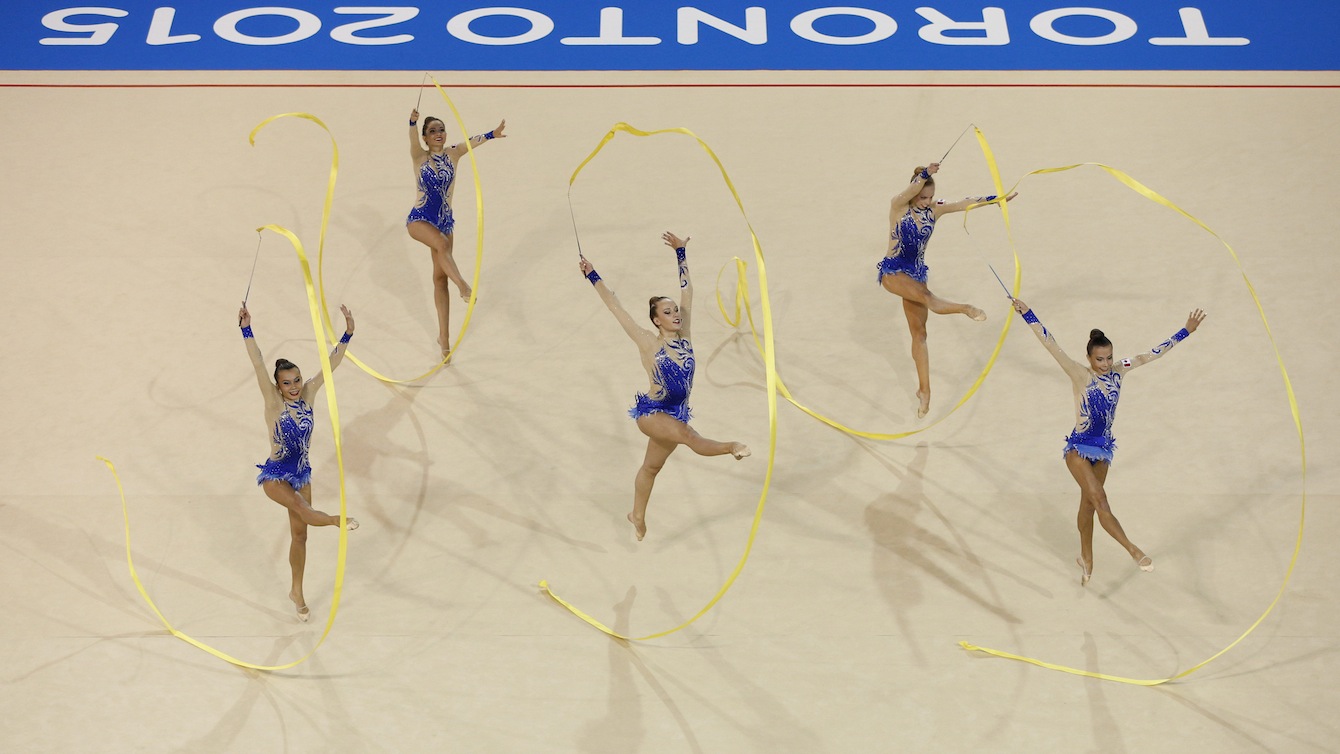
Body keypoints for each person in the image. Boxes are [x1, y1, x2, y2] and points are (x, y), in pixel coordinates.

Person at [1010, 297, 1206, 584]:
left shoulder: (1120, 369)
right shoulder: (1079, 373)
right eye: (1099, 359)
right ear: (1089, 358)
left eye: (1108, 358)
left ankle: (1086, 557)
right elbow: (1050, 344)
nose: (1105, 364)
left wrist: (1185, 331)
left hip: (1102, 451)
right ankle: (1134, 550)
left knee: (1089, 505)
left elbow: (1151, 354)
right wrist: (1028, 313)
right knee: (1101, 500)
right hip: (1078, 449)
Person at [578, 232, 751, 541]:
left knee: (651, 468)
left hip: (675, 413)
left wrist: (680, 253)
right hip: (652, 412)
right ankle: (730, 446)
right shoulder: (647, 341)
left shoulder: (686, 337)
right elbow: (615, 306)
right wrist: (593, 275)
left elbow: (688, 292)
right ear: (656, 321)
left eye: (675, 311)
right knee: (688, 436)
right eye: (667, 313)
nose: (675, 315)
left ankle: (636, 515)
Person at [238, 302, 359, 622]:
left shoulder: (308, 394)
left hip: (301, 474)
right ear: (278, 386)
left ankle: (297, 592)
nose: (293, 387)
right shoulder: (272, 401)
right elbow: (258, 362)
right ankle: (336, 520)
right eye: (286, 383)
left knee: (300, 535)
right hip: (276, 475)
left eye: (296, 380)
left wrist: (347, 334)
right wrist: (246, 329)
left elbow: (330, 366)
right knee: (302, 509)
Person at [879, 162, 1017, 418]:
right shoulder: (898, 206)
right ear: (914, 192)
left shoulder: (934, 210)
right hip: (893, 271)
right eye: (922, 197)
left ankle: (924, 391)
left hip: (916, 275)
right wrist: (925, 174)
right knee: (928, 298)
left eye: (930, 197)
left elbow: (964, 203)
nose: (926, 202)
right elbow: (910, 190)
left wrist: (995, 199)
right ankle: (966, 308)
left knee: (920, 334)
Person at [406, 107, 507, 358]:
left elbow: (471, 142)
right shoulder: (419, 156)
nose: (438, 134)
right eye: (432, 131)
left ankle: (444, 339)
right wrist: (412, 123)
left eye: (441, 129)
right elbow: (412, 139)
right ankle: (463, 285)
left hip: (444, 222)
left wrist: (492, 134)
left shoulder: (453, 154)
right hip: (420, 220)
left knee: (440, 279)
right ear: (425, 138)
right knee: (441, 245)